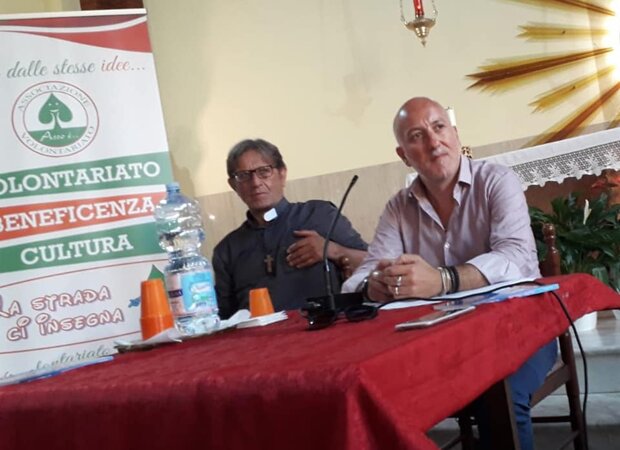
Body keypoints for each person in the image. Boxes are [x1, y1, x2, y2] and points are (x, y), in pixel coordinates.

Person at [342, 97, 557, 450]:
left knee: (497, 395)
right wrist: (373, 287)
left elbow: (517, 257)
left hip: (521, 327)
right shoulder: (398, 208)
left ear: (455, 134)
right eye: (417, 136)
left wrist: (443, 279)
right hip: (442, 340)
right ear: (403, 155)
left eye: (439, 127)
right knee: (377, 395)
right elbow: (365, 272)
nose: (433, 141)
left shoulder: (496, 181)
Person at [213, 138, 368, 319]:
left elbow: (373, 264)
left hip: (324, 327)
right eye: (243, 175)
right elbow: (225, 318)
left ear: (282, 174)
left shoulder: (319, 215)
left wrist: (332, 250)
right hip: (259, 336)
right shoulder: (227, 250)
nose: (255, 182)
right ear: (233, 185)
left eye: (264, 171)